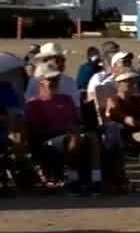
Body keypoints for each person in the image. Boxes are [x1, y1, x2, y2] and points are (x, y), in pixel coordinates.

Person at [25, 66, 102, 194]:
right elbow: (35, 129)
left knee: (92, 137)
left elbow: (76, 121)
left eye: (56, 79)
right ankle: (73, 180)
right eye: (51, 80)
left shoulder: (66, 100)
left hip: (69, 135)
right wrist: (66, 131)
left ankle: (96, 180)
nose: (55, 82)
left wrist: (75, 129)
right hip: (48, 140)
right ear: (41, 82)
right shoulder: (34, 104)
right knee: (74, 138)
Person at [24, 43, 81, 108]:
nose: (60, 64)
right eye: (56, 60)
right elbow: (29, 105)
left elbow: (76, 107)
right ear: (45, 61)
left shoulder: (69, 81)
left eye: (62, 60)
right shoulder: (34, 82)